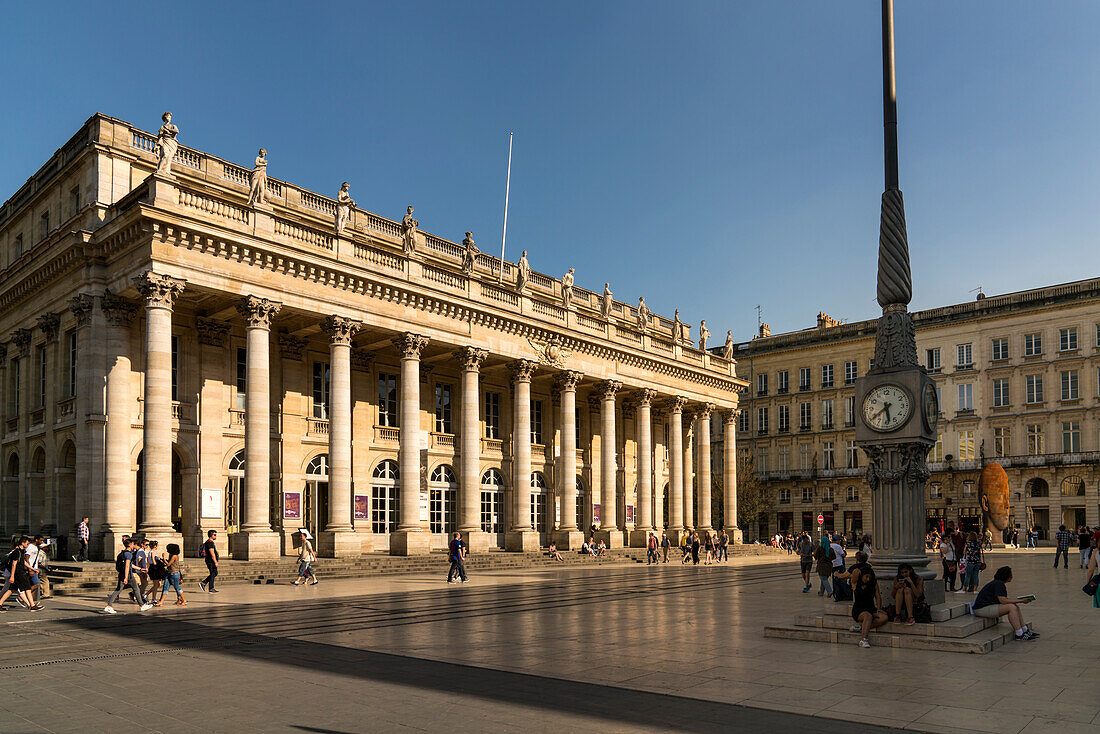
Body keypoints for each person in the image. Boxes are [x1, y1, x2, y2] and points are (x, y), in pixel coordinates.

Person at [972, 566, 1037, 640]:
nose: (1012, 576)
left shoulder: (998, 583)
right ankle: (1019, 634)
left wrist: (1018, 601)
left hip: (986, 607)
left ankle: (1024, 629)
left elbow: (1003, 600)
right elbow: (1003, 601)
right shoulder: (999, 584)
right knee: (1011, 607)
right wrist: (1021, 601)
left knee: (1014, 606)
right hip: (981, 609)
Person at [105, 537, 151, 614]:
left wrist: (140, 569)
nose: (134, 545)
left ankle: (142, 605)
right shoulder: (128, 554)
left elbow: (130, 565)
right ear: (130, 545)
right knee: (128, 589)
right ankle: (109, 606)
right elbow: (127, 566)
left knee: (130, 589)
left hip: (124, 574)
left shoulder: (123, 553)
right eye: (133, 543)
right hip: (127, 574)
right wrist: (126, 577)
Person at [850, 567, 889, 648]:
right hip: (859, 609)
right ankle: (863, 639)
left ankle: (862, 628)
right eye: (866, 576)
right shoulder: (856, 583)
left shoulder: (873, 583)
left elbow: (877, 596)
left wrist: (878, 609)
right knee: (868, 616)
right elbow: (855, 572)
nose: (868, 579)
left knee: (884, 617)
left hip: (870, 608)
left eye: (869, 577)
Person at [0, 537, 38, 612]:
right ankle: (32, 605)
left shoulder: (22, 551)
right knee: (27, 588)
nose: (28, 544)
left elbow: (23, 562)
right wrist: (12, 576)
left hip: (20, 572)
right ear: (22, 543)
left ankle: (0, 603)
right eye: (27, 543)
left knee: (11, 589)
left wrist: (33, 569)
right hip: (18, 573)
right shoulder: (17, 552)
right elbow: (14, 564)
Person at [26, 535, 49, 602]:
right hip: (31, 568)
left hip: (35, 569)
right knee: (37, 584)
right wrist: (30, 570)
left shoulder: (37, 547)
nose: (42, 542)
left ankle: (31, 602)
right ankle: (23, 596)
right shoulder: (30, 547)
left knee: (33, 585)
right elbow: (26, 558)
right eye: (41, 540)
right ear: (36, 540)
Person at [146, 541, 166, 605]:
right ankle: (153, 598)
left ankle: (146, 594)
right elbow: (154, 562)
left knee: (158, 584)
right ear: (155, 546)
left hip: (154, 569)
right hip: (154, 569)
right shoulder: (152, 552)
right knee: (156, 585)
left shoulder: (152, 552)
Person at [940, 529, 959, 593]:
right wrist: (947, 546)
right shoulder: (943, 545)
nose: (947, 540)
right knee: (946, 574)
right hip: (947, 561)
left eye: (948, 538)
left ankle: (952, 587)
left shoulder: (951, 543)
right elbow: (944, 552)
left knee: (953, 574)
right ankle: (944, 587)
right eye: (945, 539)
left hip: (953, 560)